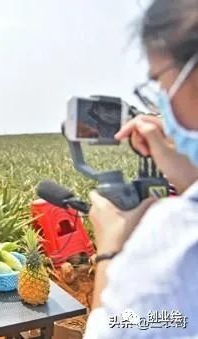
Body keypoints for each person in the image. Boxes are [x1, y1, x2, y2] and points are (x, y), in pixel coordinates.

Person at [85, 0, 198, 337]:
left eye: (159, 82)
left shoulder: (175, 239)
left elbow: (121, 327)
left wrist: (110, 248)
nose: (160, 98)